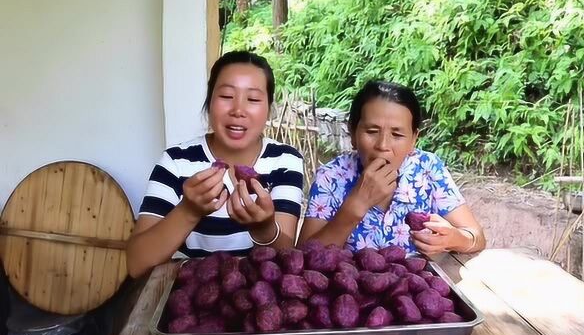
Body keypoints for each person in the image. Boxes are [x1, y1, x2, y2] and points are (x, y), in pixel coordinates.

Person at [126, 51, 304, 278]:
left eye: (253, 99)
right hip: (190, 296)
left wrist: (264, 230)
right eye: (227, 96)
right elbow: (137, 264)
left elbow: (288, 266)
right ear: (209, 103)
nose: (238, 110)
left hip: (259, 300)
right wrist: (188, 211)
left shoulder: (285, 161)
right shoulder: (176, 162)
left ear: (268, 108)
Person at [300, 80, 485, 256]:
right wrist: (356, 204)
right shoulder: (332, 177)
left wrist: (454, 239)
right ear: (353, 134)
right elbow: (303, 256)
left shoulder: (427, 169)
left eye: (397, 134)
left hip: (416, 286)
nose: (383, 145)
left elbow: (476, 237)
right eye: (372, 132)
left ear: (413, 139)